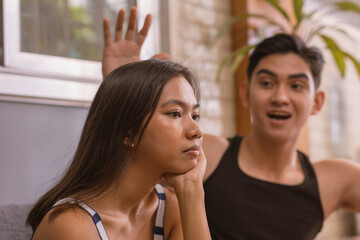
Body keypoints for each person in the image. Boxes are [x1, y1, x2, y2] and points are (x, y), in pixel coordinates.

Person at [103, 7, 360, 240]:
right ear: (246, 93)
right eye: (267, 83)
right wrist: (124, 92)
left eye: (296, 86)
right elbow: (128, 173)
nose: (280, 97)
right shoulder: (208, 154)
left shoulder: (334, 180)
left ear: (317, 102)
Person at [26, 58, 211, 239]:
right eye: (175, 113)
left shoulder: (170, 209)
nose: (196, 131)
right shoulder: (72, 226)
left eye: (195, 116)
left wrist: (192, 191)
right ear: (128, 133)